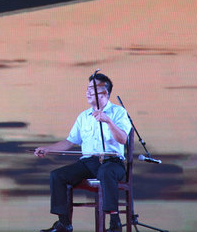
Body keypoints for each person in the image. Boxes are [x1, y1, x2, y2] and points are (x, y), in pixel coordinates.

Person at [34, 73, 132, 232]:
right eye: (87, 89)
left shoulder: (118, 112)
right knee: (57, 175)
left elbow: (122, 139)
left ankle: (115, 223)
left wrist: (108, 121)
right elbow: (69, 142)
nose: (88, 92)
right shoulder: (83, 116)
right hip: (89, 163)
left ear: (104, 92)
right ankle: (64, 223)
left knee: (106, 172)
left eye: (92, 89)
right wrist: (48, 149)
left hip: (112, 162)